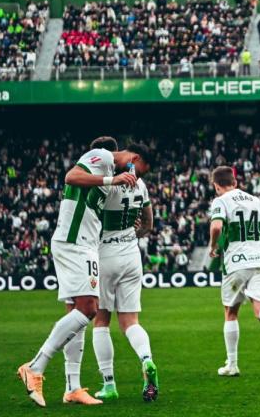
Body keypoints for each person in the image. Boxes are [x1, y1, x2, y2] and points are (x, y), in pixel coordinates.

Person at [17, 142, 150, 408]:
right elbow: (71, 176)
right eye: (141, 169)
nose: (138, 174)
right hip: (75, 243)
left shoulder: (108, 174)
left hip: (86, 243)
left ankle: (72, 387)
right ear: (134, 158)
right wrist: (113, 178)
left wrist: (130, 221)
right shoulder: (101, 158)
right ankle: (35, 366)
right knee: (89, 308)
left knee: (76, 314)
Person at [89, 137, 159, 402]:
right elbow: (149, 223)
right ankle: (146, 359)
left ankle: (109, 384)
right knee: (130, 321)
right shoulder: (140, 184)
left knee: (101, 321)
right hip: (131, 253)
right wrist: (134, 233)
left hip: (104, 253)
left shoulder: (106, 183)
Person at [208, 166, 260, 378]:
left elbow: (216, 227)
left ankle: (232, 364)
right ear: (235, 182)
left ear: (216, 186)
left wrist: (212, 247)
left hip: (236, 263)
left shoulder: (220, 201)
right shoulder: (254, 200)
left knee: (230, 312)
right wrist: (256, 242)